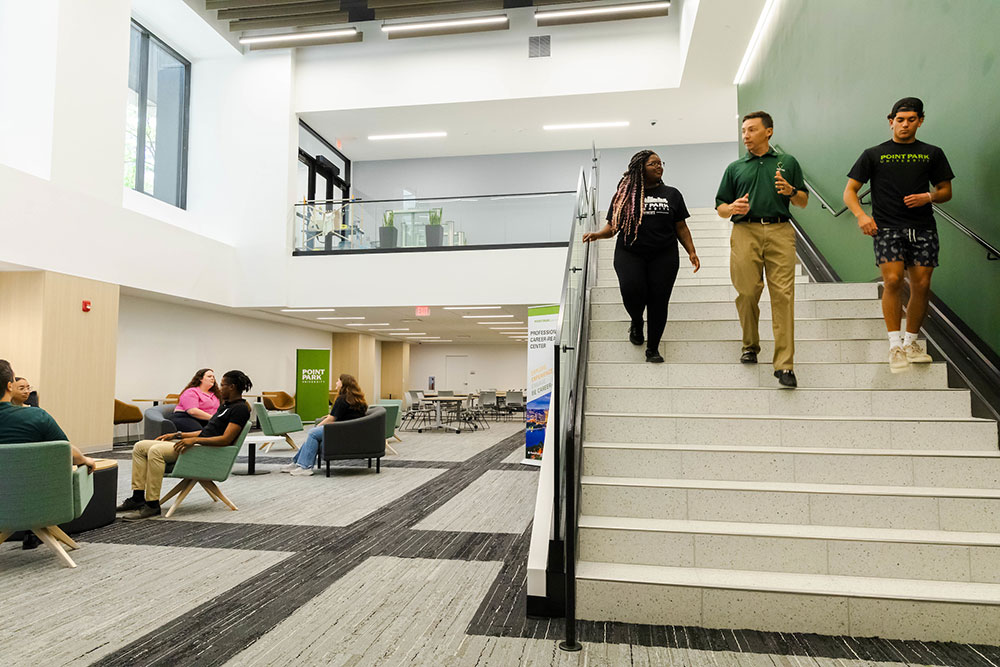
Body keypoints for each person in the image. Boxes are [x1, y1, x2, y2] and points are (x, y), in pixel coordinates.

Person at [843, 97, 954, 374]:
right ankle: (894, 344)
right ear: (891, 120)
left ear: (920, 120)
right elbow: (850, 191)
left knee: (922, 285)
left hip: (923, 228)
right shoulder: (873, 154)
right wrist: (862, 216)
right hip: (887, 227)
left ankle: (911, 343)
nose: (905, 124)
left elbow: (945, 191)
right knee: (892, 280)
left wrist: (928, 196)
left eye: (911, 119)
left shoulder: (932, 153)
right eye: (900, 119)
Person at [716, 111, 809, 388]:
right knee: (746, 292)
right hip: (745, 231)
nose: (746, 135)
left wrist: (792, 191)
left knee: (783, 296)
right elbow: (720, 207)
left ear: (768, 132)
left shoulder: (787, 162)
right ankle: (750, 345)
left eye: (752, 130)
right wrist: (732, 208)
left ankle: (785, 366)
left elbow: (803, 201)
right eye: (744, 130)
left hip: (780, 231)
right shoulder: (735, 168)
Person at [582, 150, 700, 363]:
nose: (659, 167)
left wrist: (691, 251)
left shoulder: (672, 194)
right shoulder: (624, 196)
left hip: (664, 255)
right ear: (640, 168)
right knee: (631, 291)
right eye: (653, 164)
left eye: (660, 163)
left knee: (659, 301)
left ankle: (652, 349)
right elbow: (612, 228)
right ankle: (637, 321)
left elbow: (681, 227)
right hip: (630, 252)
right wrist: (598, 235)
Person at [116, 370, 253, 521]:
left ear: (232, 387)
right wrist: (178, 435)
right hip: (199, 444)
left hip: (205, 451)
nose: (219, 388)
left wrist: (194, 441)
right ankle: (137, 498)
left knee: (156, 451)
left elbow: (225, 439)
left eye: (222, 385)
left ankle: (152, 505)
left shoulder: (240, 409)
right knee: (140, 446)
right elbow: (205, 432)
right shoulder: (225, 406)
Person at [1, 359, 95, 550]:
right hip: (40, 499)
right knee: (83, 467)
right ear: (10, 385)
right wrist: (86, 460)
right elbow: (65, 450)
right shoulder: (36, 416)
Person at [282, 373, 367, 476]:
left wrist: (318, 426)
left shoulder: (342, 399)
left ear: (343, 383)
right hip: (349, 430)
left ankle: (305, 467)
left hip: (339, 430)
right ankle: (297, 463)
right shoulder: (358, 400)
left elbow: (332, 419)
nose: (336, 382)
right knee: (313, 435)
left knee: (313, 433)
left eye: (338, 380)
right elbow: (348, 415)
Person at [171, 368, 222, 432]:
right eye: (209, 376)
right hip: (186, 417)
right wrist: (213, 418)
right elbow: (192, 411)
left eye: (213, 377)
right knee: (201, 433)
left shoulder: (215, 395)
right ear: (200, 379)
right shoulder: (191, 391)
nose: (212, 379)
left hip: (205, 419)